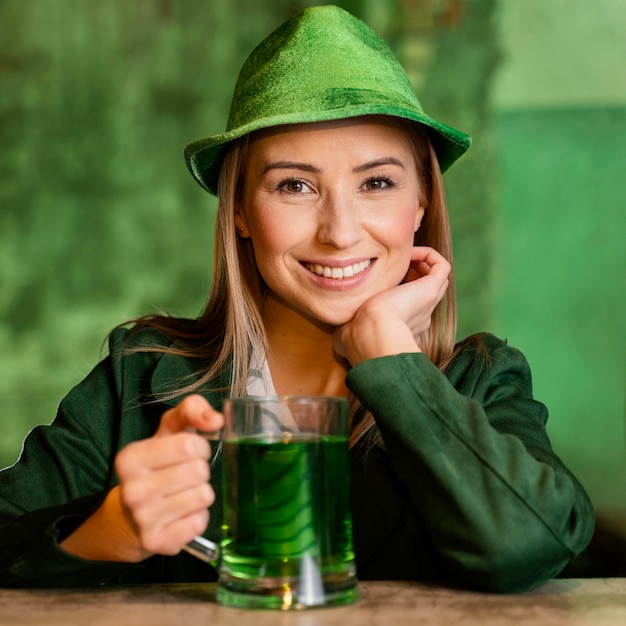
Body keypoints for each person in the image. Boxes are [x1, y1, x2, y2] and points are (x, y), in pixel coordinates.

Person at [0, 5, 594, 592]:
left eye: (377, 183)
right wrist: (106, 532)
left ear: (421, 207)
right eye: (294, 185)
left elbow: (530, 544)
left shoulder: (479, 379)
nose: (338, 231)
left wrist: (392, 362)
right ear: (240, 211)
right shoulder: (142, 375)